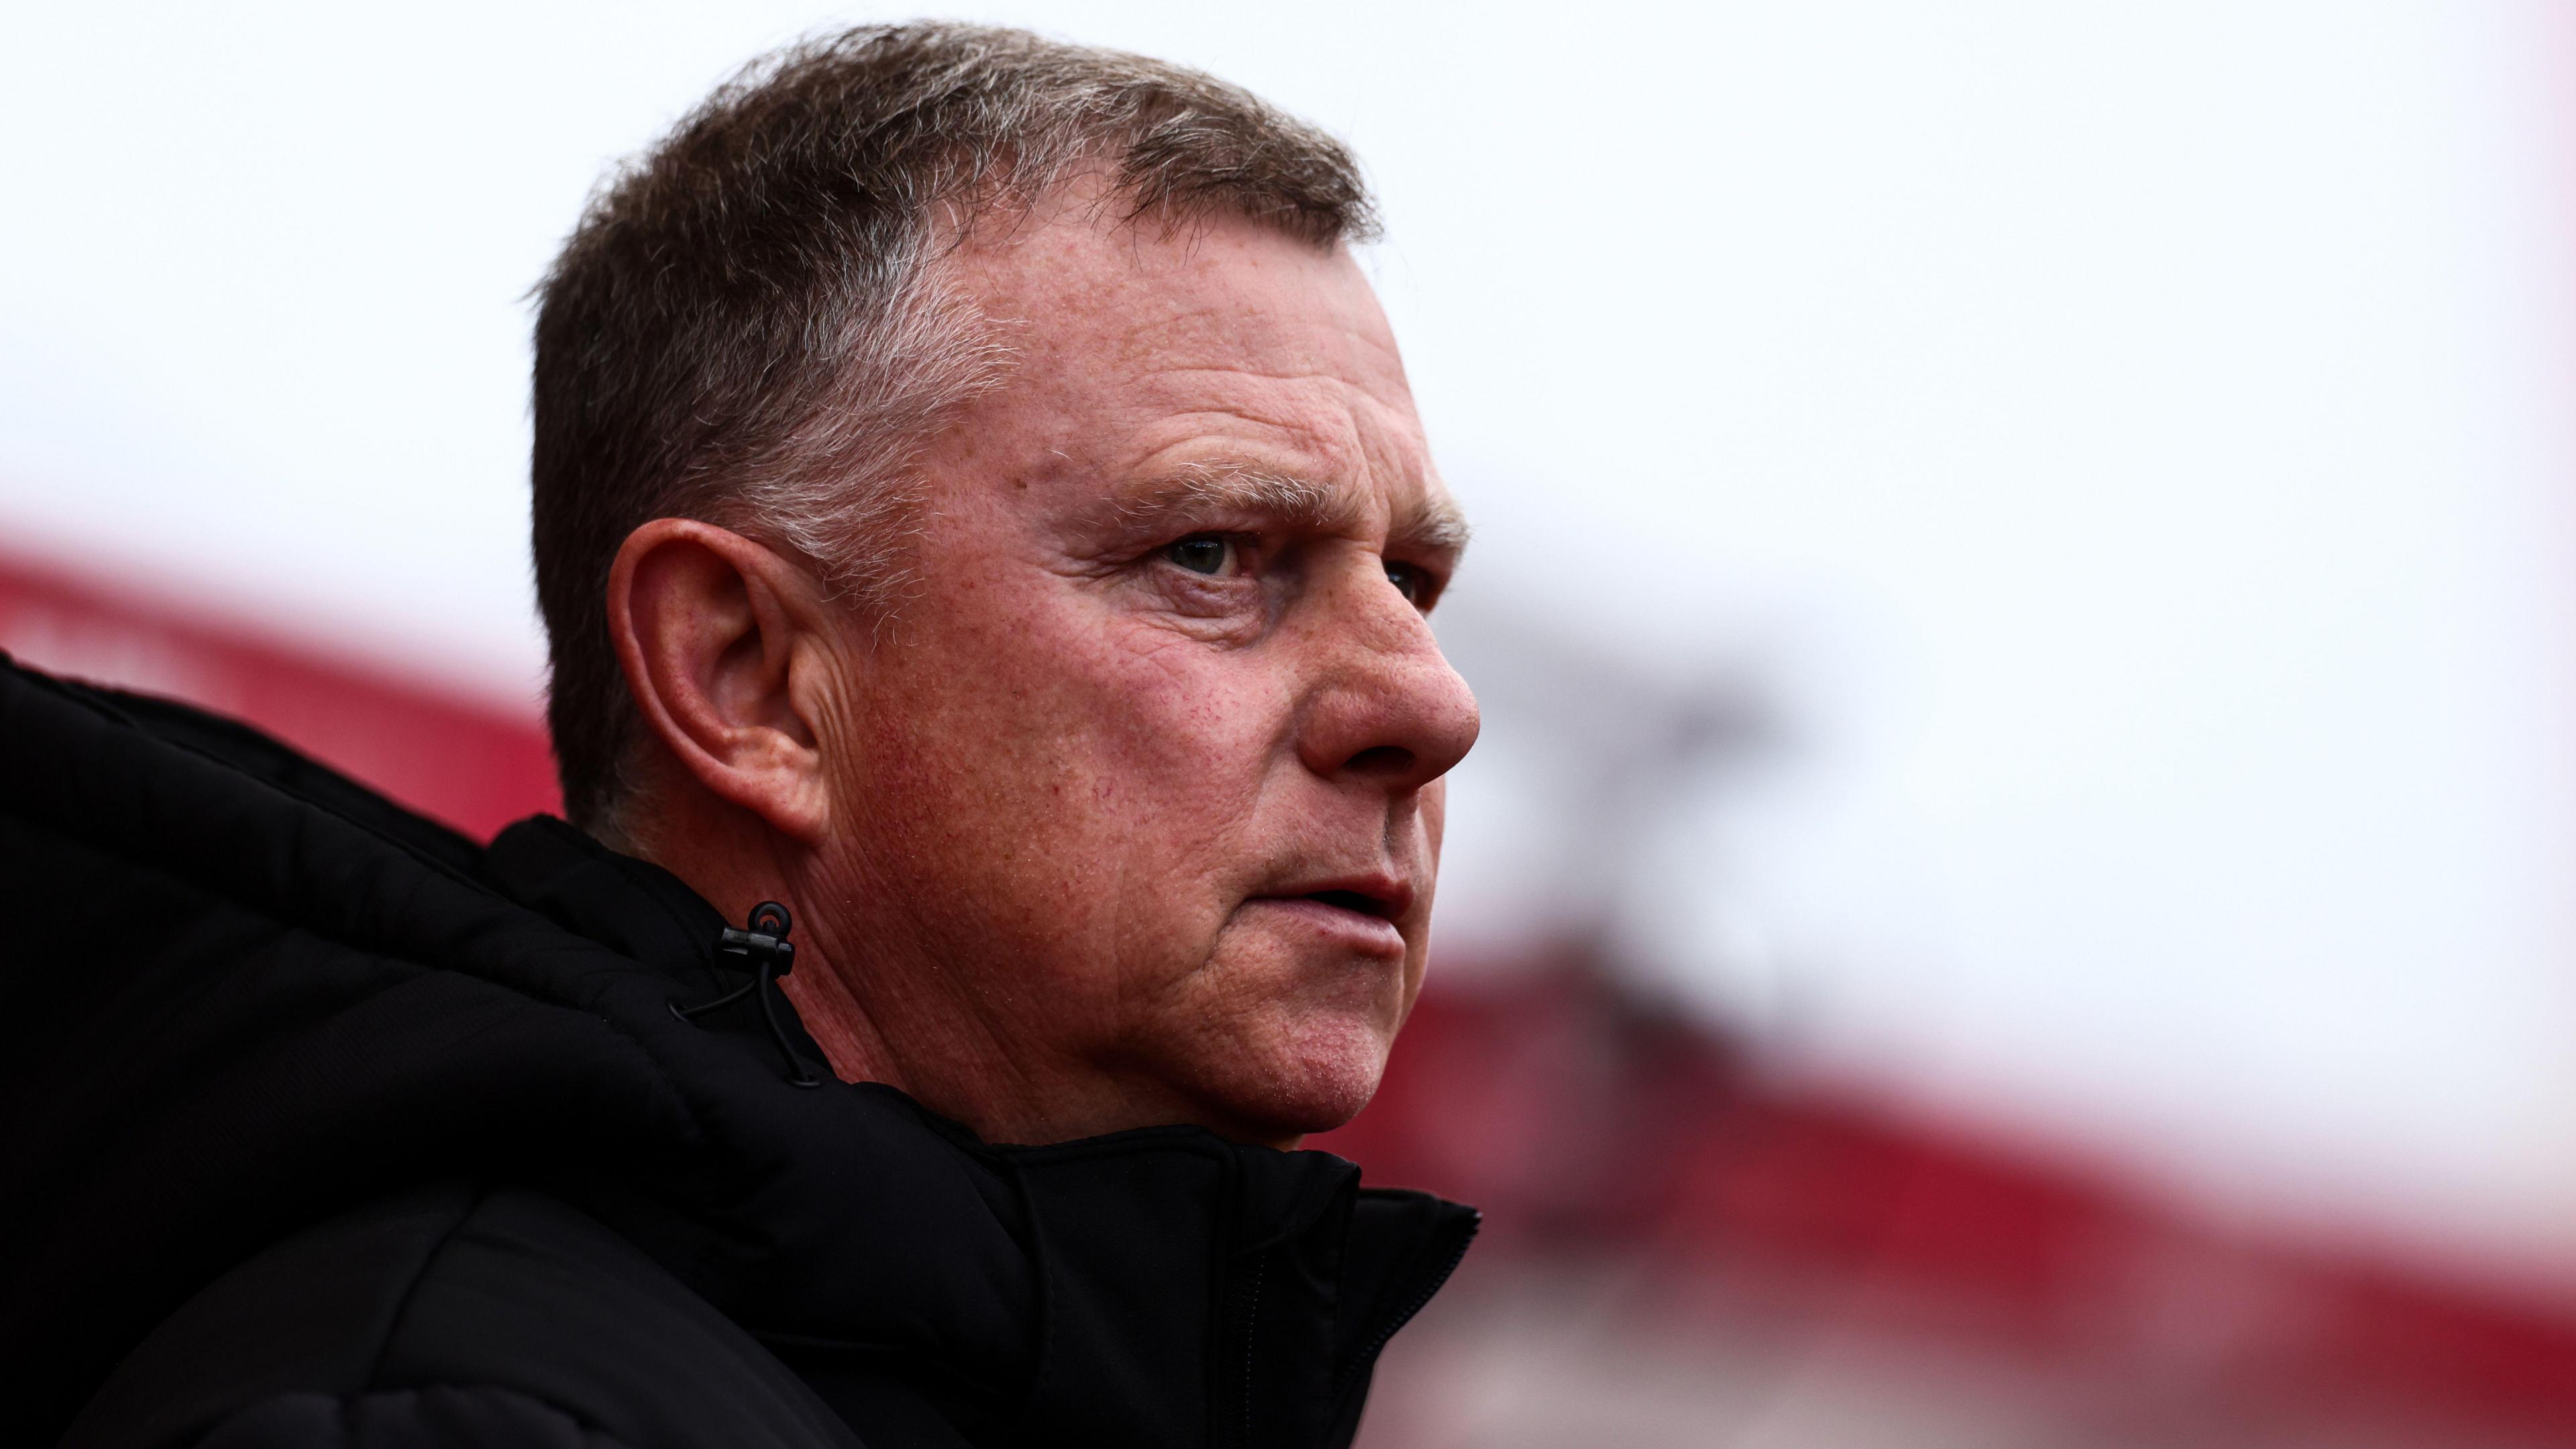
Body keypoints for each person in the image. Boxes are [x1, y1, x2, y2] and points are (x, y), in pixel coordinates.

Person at [0, 22, 1481, 1449]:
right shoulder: (459, 1415)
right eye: (1213, 554)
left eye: (1412, 583)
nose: (1430, 706)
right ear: (748, 679)